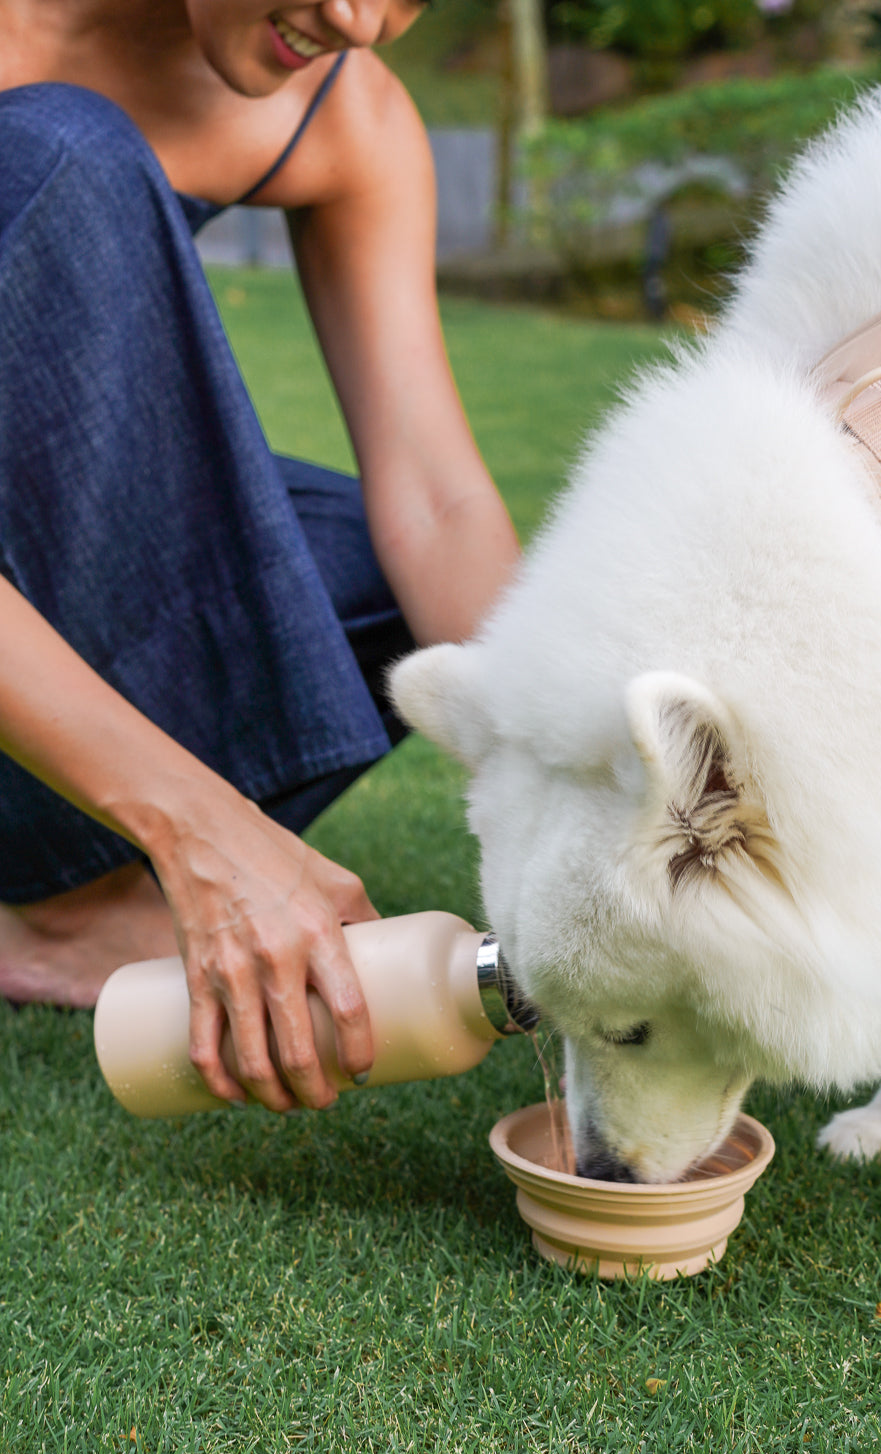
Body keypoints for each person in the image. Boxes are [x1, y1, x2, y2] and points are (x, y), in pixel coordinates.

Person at [0, 0, 521, 1113]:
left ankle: (58, 869)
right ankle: (69, 905)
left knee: (392, 584)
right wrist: (200, 832)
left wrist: (563, 780)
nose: (359, 20)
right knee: (66, 155)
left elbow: (436, 500)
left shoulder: (345, 117)